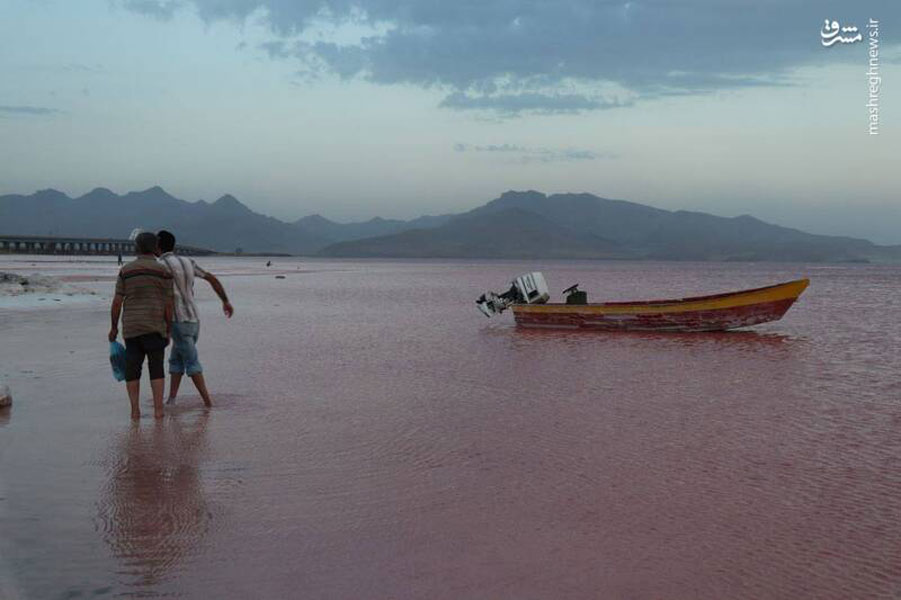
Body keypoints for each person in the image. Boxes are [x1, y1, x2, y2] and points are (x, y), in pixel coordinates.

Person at [156, 230, 234, 407]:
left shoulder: (160, 265)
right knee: (177, 358)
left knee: (191, 362)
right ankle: (172, 400)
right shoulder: (187, 261)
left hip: (178, 321)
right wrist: (225, 301)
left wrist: (165, 327)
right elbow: (211, 278)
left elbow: (165, 298)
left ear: (158, 245)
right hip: (194, 320)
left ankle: (208, 403)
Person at [109, 232, 173, 419]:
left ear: (136, 248)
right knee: (156, 368)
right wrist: (169, 328)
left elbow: (116, 302)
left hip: (132, 327)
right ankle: (158, 411)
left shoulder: (126, 271)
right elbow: (169, 304)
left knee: (133, 369)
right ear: (156, 248)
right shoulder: (164, 272)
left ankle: (135, 410)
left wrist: (114, 328)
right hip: (155, 326)